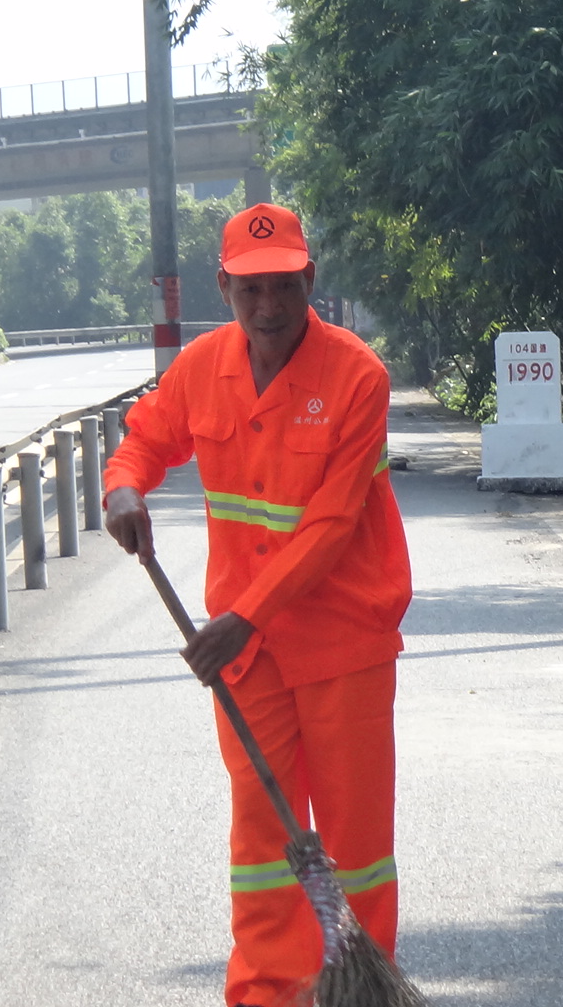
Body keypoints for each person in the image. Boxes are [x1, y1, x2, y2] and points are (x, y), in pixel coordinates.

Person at [102, 203, 413, 1007]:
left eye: (283, 287)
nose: (268, 307)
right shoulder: (203, 368)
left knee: (355, 843)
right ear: (224, 287)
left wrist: (246, 614)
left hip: (342, 642)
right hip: (249, 656)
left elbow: (333, 523)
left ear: (309, 279)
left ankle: (357, 990)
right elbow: (143, 439)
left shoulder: (357, 377)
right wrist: (124, 487)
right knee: (266, 839)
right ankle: (269, 994)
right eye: (249, 291)